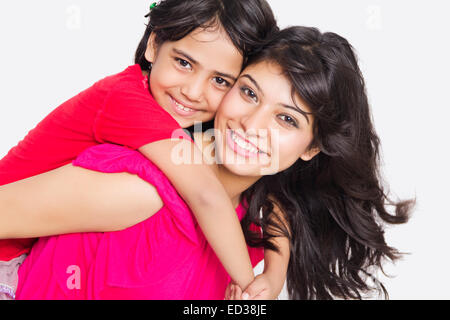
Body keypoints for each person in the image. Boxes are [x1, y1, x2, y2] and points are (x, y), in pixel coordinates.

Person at [1, 26, 414, 300]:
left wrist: (269, 278)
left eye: (286, 119)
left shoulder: (250, 225)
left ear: (312, 148)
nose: (252, 125)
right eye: (249, 93)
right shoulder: (139, 189)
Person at [0, 0, 278, 299]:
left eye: (220, 80)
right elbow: (205, 195)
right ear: (154, 45)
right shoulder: (128, 102)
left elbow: (280, 202)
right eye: (183, 63)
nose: (193, 91)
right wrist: (249, 288)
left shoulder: (181, 127)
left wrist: (275, 273)